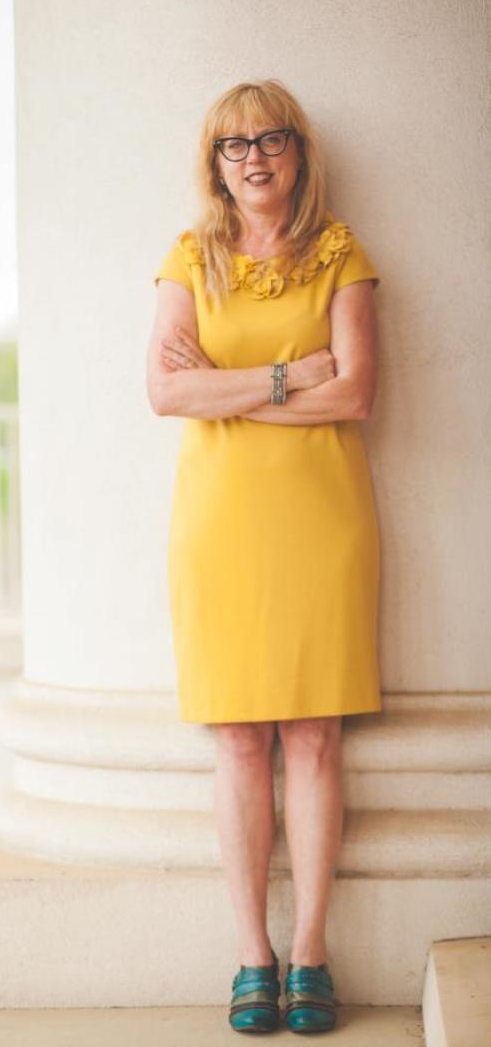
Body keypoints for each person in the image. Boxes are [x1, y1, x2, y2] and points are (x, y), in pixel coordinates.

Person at [146, 79, 382, 1035]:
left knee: (315, 736)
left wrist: (228, 388)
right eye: (233, 145)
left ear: (297, 152)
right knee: (240, 738)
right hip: (222, 525)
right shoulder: (188, 256)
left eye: (270, 140)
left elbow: (358, 394)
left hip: (322, 520)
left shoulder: (342, 254)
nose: (254, 158)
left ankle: (313, 949)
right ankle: (254, 953)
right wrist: (290, 374)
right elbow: (164, 393)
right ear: (215, 162)